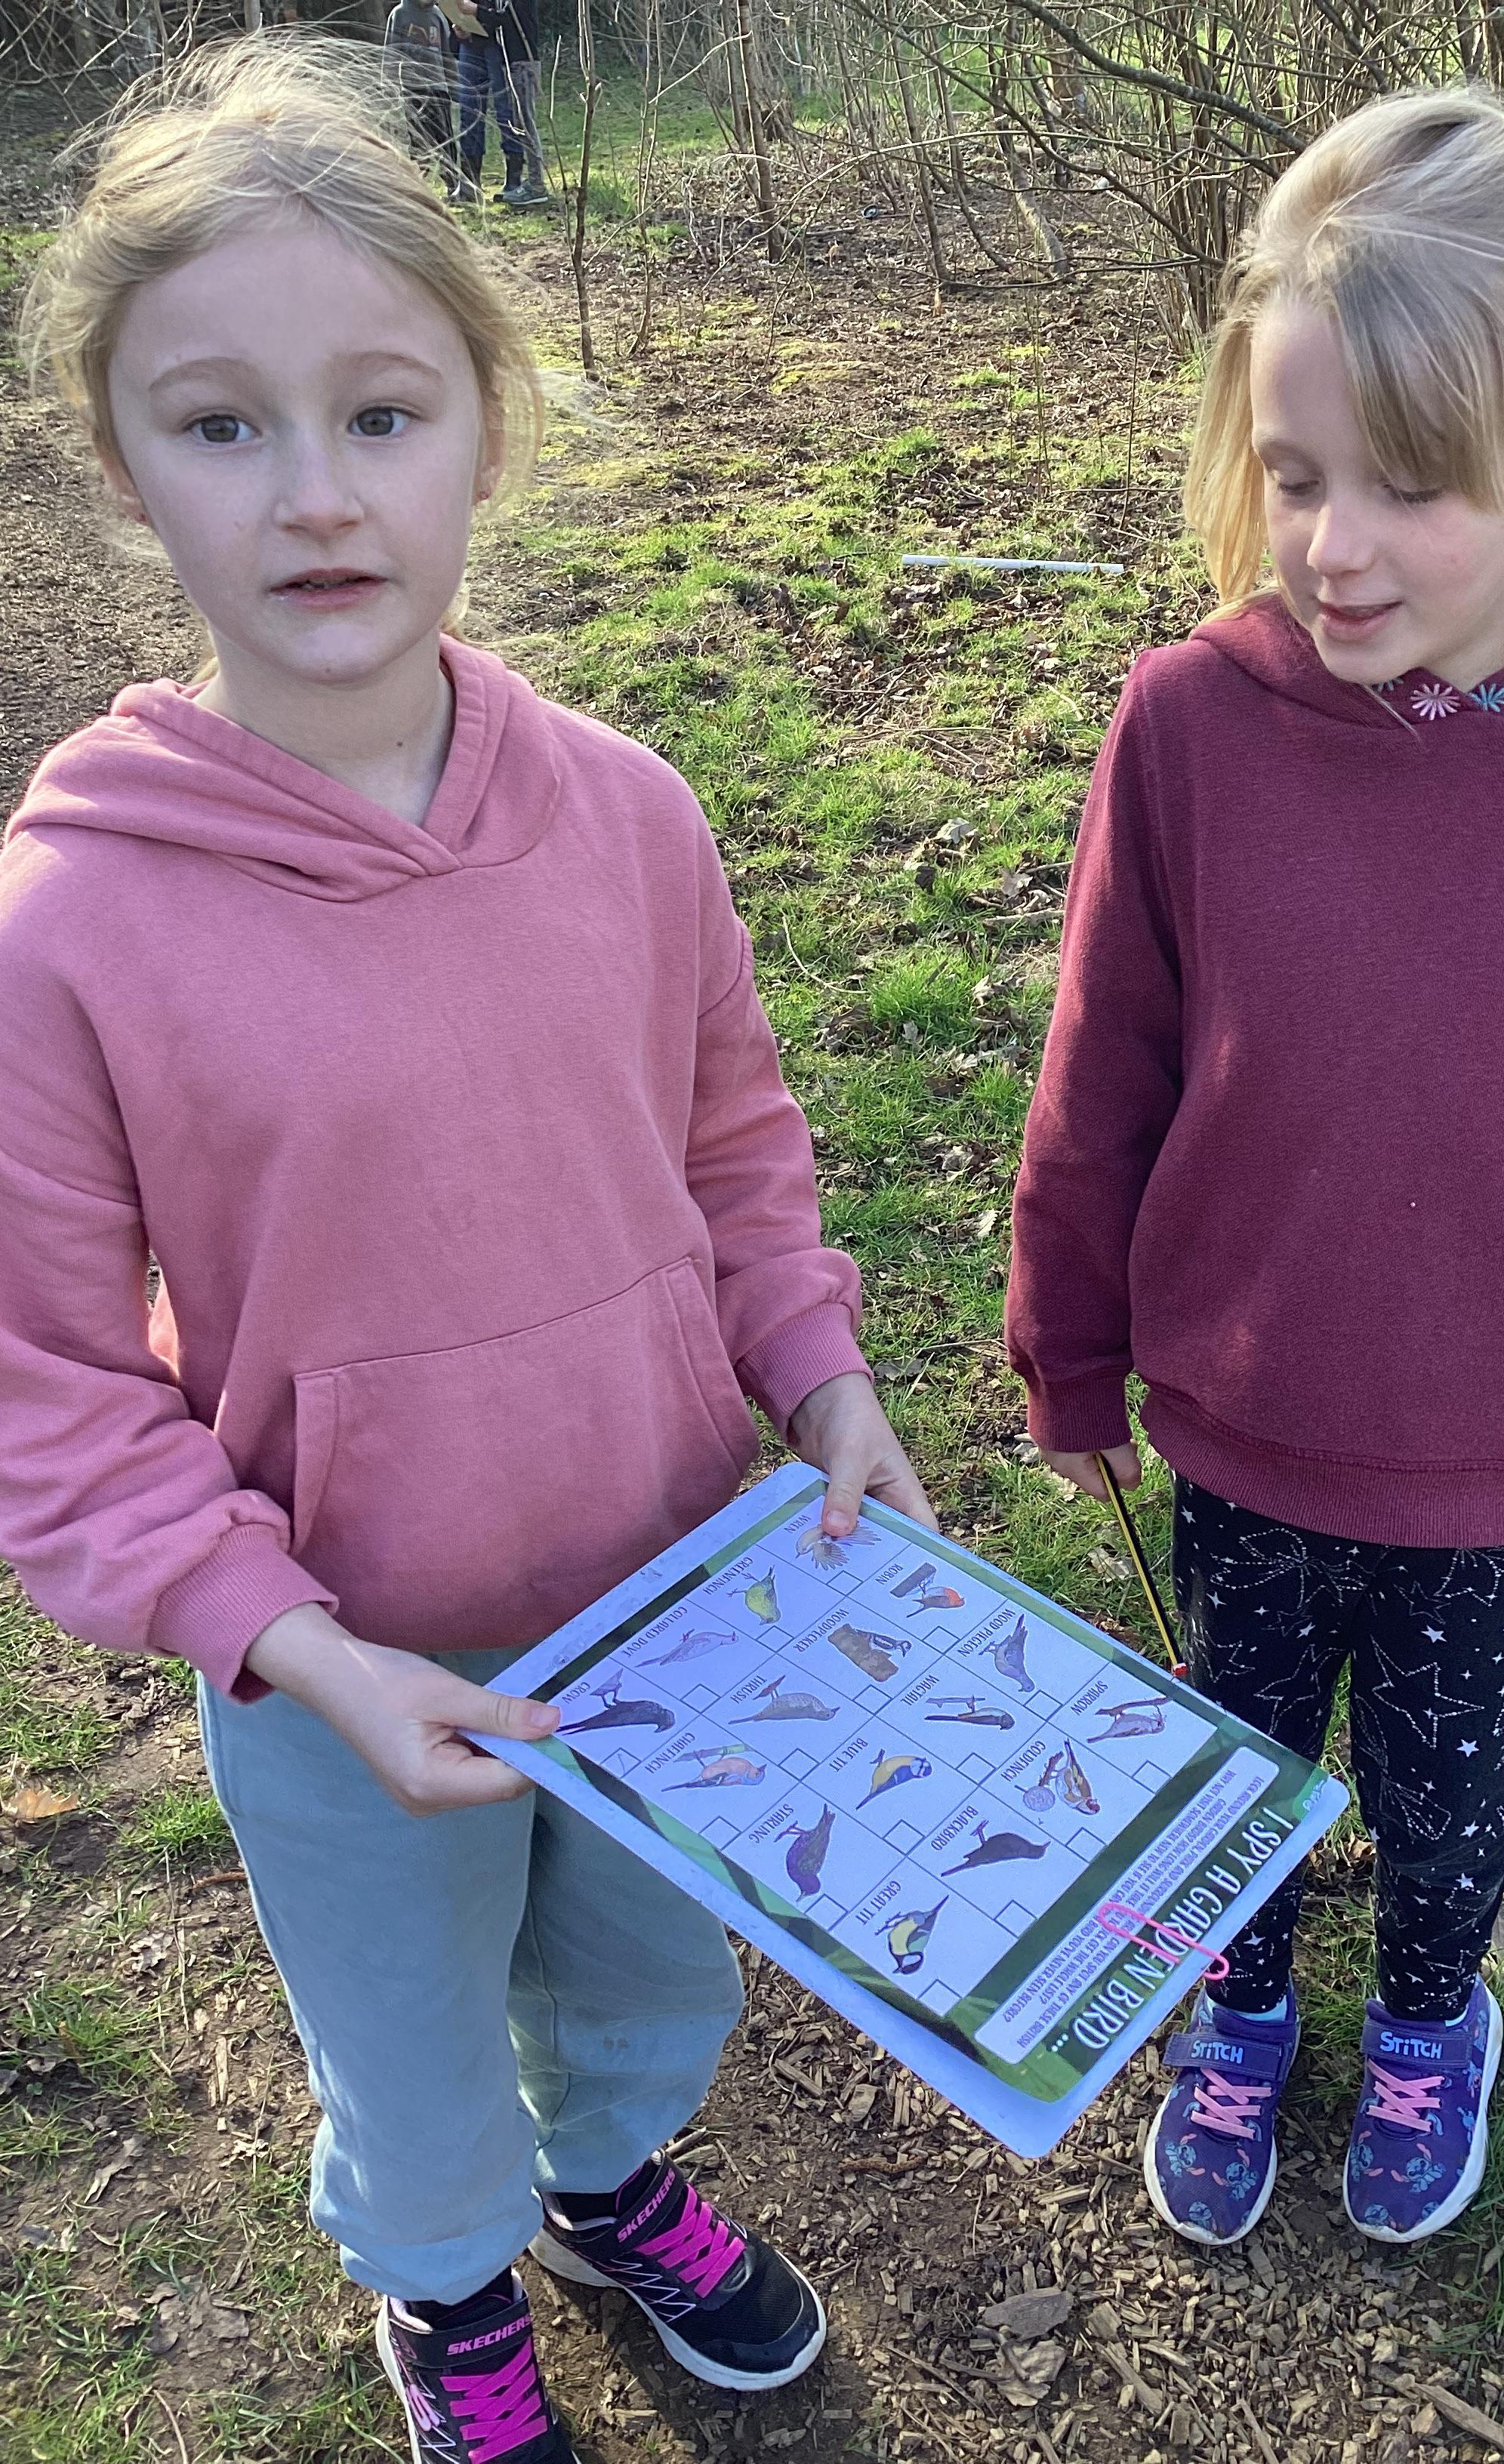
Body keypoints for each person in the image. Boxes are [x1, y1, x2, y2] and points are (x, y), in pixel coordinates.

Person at [5, 38, 932, 2462]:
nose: (315, 492)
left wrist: (825, 1380)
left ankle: (611, 2183)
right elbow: (55, 1391)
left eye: (382, 413)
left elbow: (735, 1148)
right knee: (409, 2059)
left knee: (648, 1983)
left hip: (679, 1605)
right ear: (121, 462)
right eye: (222, 425)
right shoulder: (73, 923)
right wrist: (294, 1642)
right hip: (344, 1663)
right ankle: (447, 2287)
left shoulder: (631, 815)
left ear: (483, 432)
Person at [1006, 88, 1504, 2253]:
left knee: (1448, 1805)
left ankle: (1428, 2016)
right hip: (1242, 1422)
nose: (1331, 545)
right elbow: (1104, 1064)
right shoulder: (1191, 726)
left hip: (1500, 1461)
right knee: (1232, 1772)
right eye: (1294, 474)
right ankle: (1242, 2003)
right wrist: (1068, 1346)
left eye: (1410, 485)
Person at [442, 0, 545, 208]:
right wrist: (462, 24)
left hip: (500, 43)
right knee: (469, 110)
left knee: (508, 112)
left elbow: (510, 15)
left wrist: (479, 14)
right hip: (471, 42)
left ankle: (515, 182)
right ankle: (470, 184)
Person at [384, 0, 458, 183]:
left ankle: (453, 183)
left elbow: (447, 54)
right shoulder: (400, 14)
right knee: (417, 139)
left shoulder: (437, 15)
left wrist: (453, 85)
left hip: (438, 88)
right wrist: (389, 83)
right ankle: (418, 183)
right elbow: (391, 53)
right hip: (412, 88)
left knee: (445, 138)